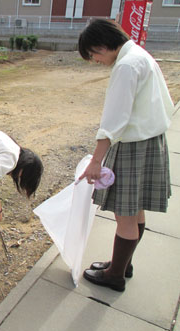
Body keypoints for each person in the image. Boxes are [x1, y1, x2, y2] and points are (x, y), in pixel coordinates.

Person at [77, 19, 174, 292]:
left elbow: (113, 120)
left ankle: (115, 276)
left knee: (126, 215)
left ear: (102, 45)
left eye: (93, 55)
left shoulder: (126, 65)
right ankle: (122, 264)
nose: (95, 61)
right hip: (151, 141)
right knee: (136, 208)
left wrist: (96, 161)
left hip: (133, 146)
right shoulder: (140, 55)